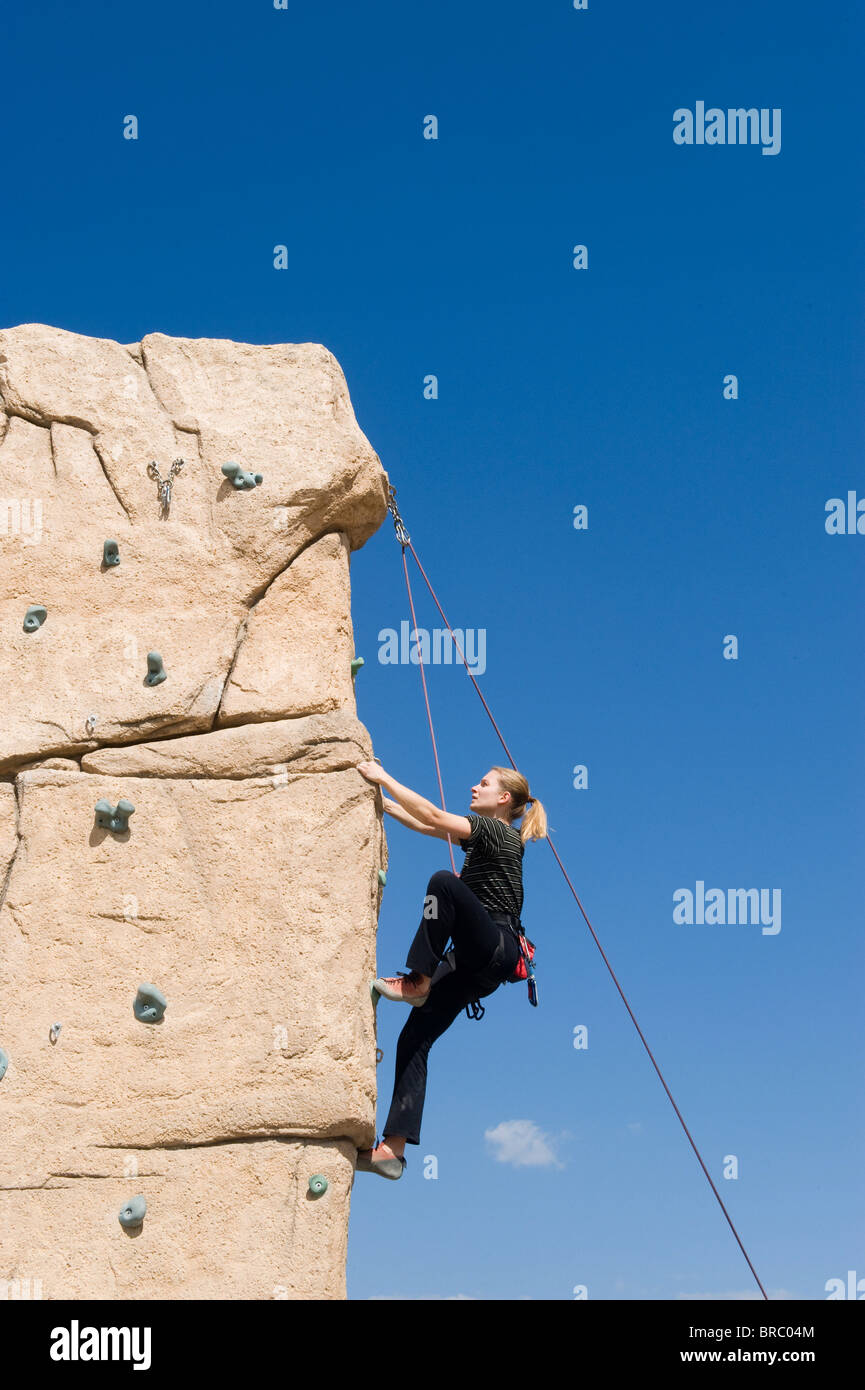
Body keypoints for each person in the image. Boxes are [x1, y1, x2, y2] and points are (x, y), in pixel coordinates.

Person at [354, 761, 547, 1179]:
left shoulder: (498, 832)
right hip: (478, 964)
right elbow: (428, 826)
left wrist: (385, 777)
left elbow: (435, 816)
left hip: (492, 944)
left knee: (443, 882)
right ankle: (392, 1150)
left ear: (503, 799)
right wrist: (380, 802)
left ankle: (418, 979)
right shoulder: (488, 838)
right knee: (414, 1037)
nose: (474, 787)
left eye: (484, 784)